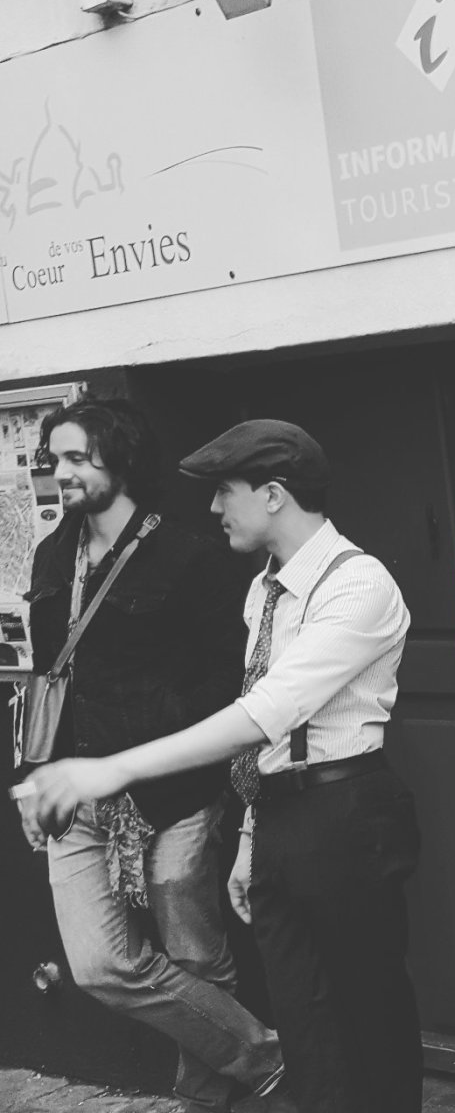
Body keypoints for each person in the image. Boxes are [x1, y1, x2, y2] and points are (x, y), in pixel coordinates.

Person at [26, 419, 423, 1113]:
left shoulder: (358, 585)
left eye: (225, 493)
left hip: (347, 812)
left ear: (273, 495)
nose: (213, 510)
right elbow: (262, 743)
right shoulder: (262, 589)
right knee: (304, 1025)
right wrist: (249, 841)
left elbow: (263, 711)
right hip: (279, 815)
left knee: (369, 1013)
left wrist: (109, 769)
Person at [16, 398, 288, 1113]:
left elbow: (227, 675)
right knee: (100, 965)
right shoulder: (50, 557)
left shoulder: (188, 555)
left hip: (174, 789)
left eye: (78, 458)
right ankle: (262, 1056)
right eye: (54, 460)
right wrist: (38, 779)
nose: (61, 473)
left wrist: (144, 736)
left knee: (196, 955)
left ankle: (204, 1096)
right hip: (74, 791)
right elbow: (50, 677)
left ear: (121, 459)